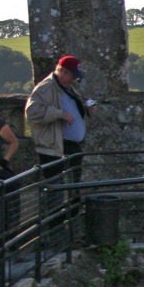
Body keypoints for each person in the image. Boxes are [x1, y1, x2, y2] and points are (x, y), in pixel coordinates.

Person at [25, 55, 94, 216]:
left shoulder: (65, 86)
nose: (74, 80)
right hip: (54, 149)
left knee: (73, 190)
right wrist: (59, 114)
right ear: (62, 71)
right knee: (55, 193)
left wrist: (86, 108)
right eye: (73, 76)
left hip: (70, 147)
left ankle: (72, 227)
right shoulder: (46, 88)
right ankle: (57, 233)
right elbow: (32, 112)